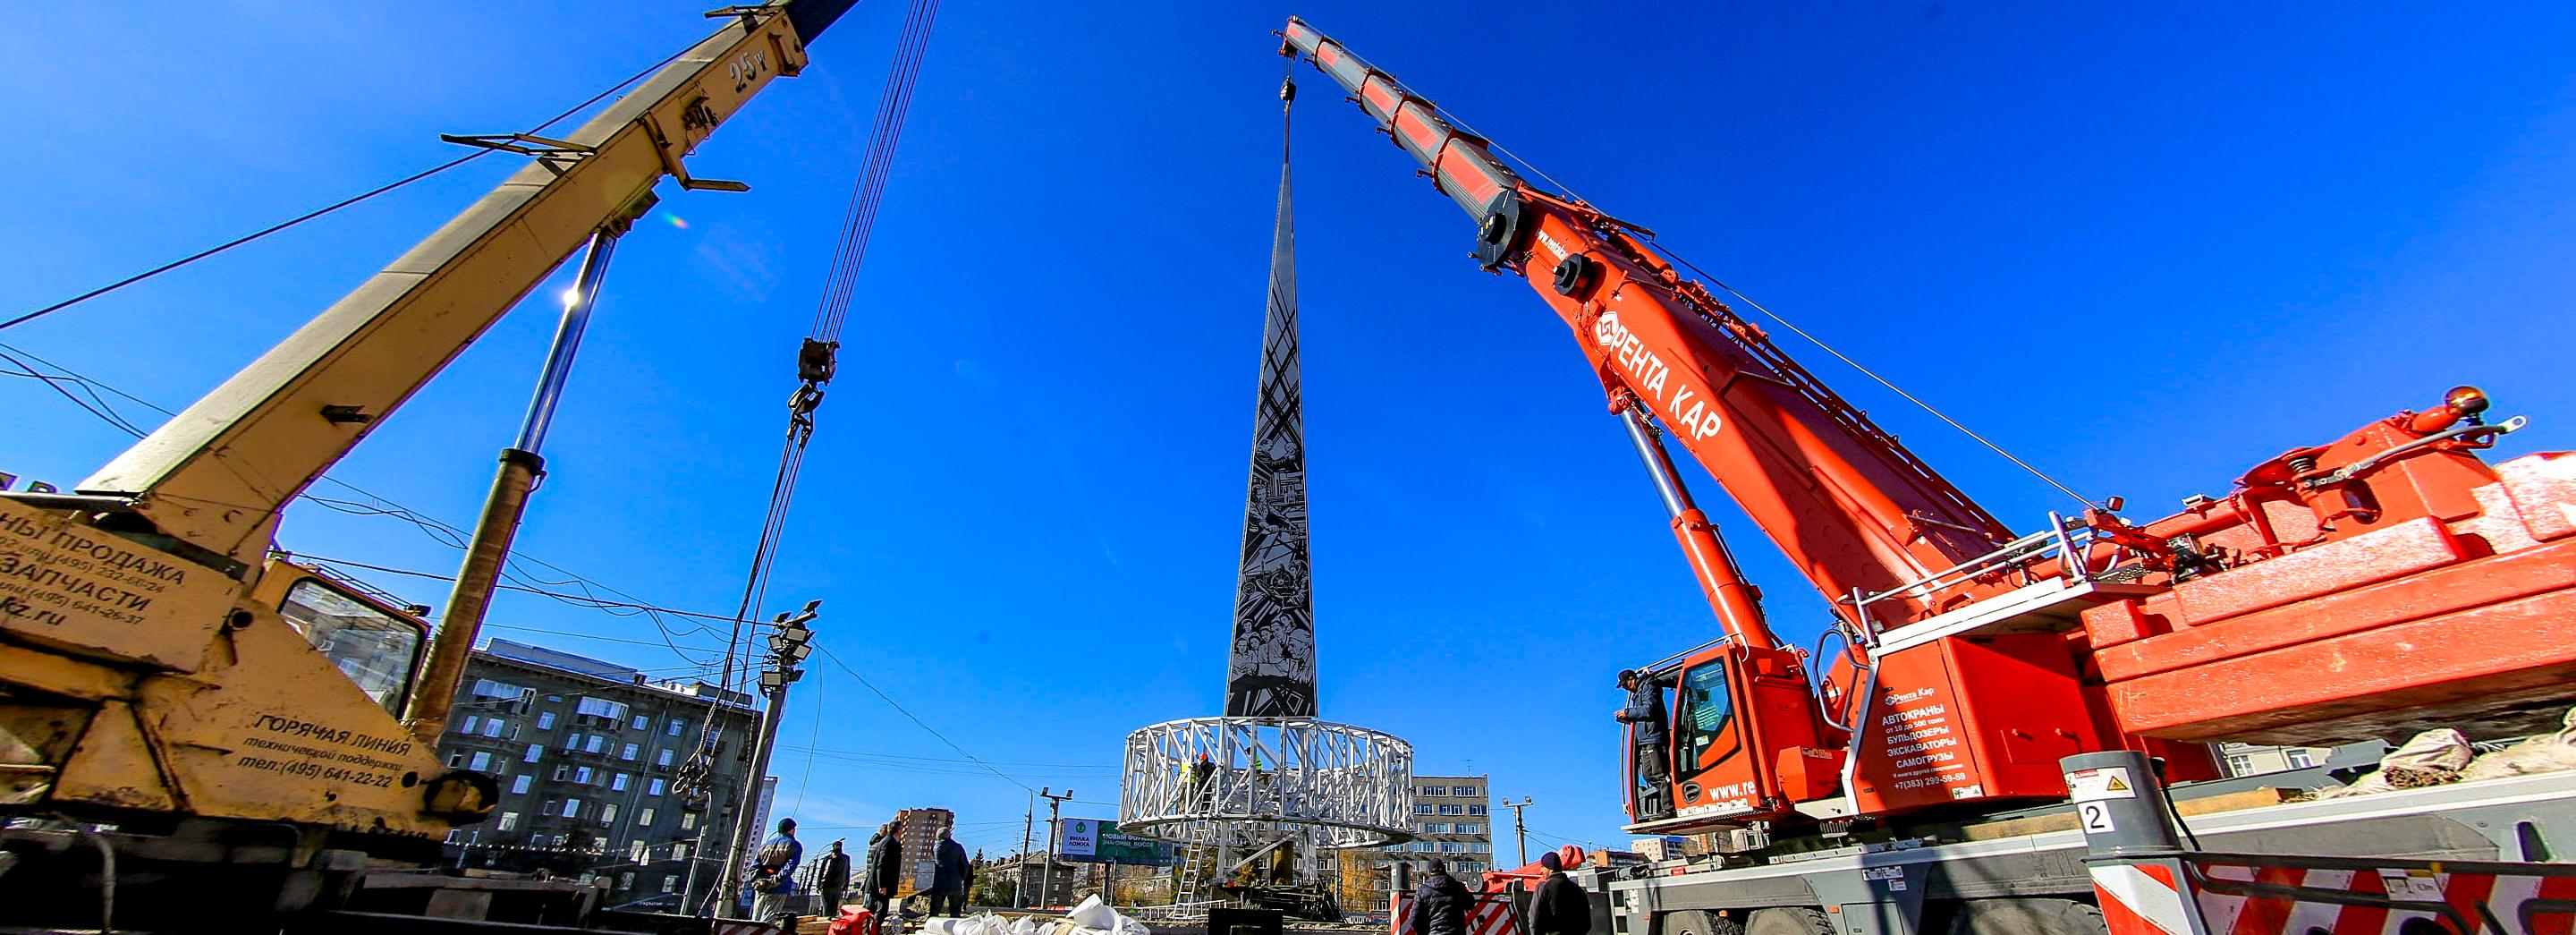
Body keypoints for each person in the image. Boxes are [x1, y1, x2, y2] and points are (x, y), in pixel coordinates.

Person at [1614, 669, 1673, 820]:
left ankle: (1669, 808)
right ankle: (1668, 801)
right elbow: (1643, 715)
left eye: (1625, 684)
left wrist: (1628, 713)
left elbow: (1649, 709)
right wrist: (1627, 718)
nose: (1625, 688)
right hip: (1646, 740)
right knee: (1648, 774)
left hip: (1654, 737)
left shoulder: (1649, 686)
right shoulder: (1639, 693)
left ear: (1632, 678)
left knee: (1660, 774)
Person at [749, 818, 805, 931]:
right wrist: (777, 880)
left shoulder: (765, 845)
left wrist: (757, 880)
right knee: (769, 921)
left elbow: (754, 866)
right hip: (778, 887)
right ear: (791, 830)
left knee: (755, 919)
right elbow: (790, 866)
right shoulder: (793, 845)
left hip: (761, 887)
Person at [1526, 852, 1591, 935]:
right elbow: (1587, 924)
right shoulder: (1579, 890)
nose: (1540, 871)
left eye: (1542, 867)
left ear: (1551, 869)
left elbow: (1534, 918)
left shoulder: (1543, 888)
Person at [1400, 858, 1470, 935]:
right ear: (1444, 870)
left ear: (1429, 873)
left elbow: (1414, 918)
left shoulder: (1423, 891)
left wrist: (1424, 932)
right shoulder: (1458, 887)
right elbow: (1470, 904)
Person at [864, 816, 906, 935]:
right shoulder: (888, 843)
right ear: (898, 831)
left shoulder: (891, 842)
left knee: (875, 910)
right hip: (881, 884)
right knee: (881, 910)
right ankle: (874, 932)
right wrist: (882, 885)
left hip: (881, 883)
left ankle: (871, 931)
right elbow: (881, 865)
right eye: (901, 829)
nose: (902, 831)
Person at [930, 828, 970, 916]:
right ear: (949, 835)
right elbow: (965, 866)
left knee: (934, 911)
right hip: (955, 882)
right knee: (955, 912)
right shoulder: (958, 847)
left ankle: (929, 927)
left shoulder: (935, 847)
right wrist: (961, 878)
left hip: (939, 882)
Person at [818, 838, 854, 917]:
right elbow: (822, 872)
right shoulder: (843, 858)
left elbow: (847, 872)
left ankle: (828, 923)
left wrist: (819, 885)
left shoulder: (833, 858)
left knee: (828, 908)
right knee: (830, 908)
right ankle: (829, 923)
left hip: (830, 886)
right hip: (832, 886)